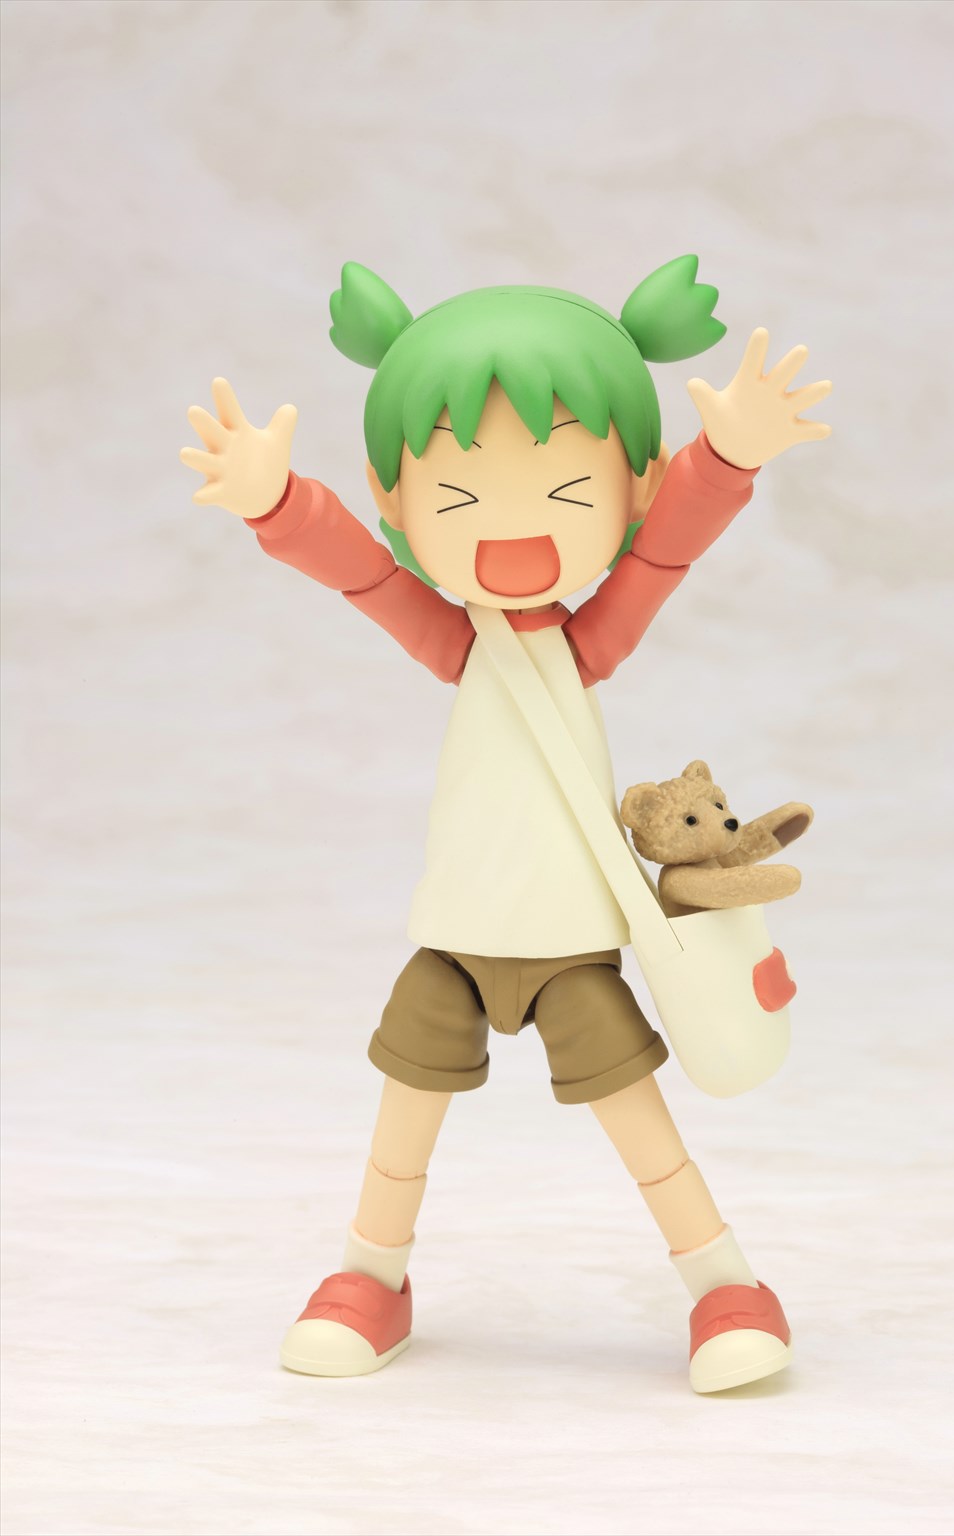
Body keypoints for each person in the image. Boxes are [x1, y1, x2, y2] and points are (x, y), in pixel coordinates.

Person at [181, 258, 831, 1392]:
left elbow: (665, 554)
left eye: (567, 494)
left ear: (631, 488)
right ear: (395, 501)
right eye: (459, 500)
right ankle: (371, 1279)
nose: (511, 532)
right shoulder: (458, 641)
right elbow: (361, 577)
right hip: (456, 936)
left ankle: (726, 1285)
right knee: (404, 1118)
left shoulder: (584, 645)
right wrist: (277, 505)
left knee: (638, 1122)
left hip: (571, 944)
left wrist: (725, 461)